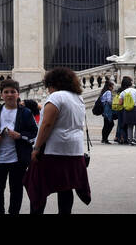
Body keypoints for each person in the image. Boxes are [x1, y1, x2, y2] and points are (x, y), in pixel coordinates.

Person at [25, 67, 91, 214]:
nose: (48, 90)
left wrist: (36, 148)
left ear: (52, 83)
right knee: (66, 187)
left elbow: (47, 124)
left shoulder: (56, 97)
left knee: (39, 188)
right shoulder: (78, 98)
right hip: (74, 150)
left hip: (53, 150)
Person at [0, 79, 38, 214]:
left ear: (18, 93)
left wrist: (19, 135)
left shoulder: (25, 112)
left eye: (12, 92)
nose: (9, 95)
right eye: (6, 92)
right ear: (1, 94)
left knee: (16, 190)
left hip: (18, 159)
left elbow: (33, 132)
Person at [98, 80, 116, 144]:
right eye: (112, 86)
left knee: (106, 125)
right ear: (109, 87)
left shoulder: (104, 92)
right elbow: (109, 101)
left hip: (105, 110)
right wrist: (113, 105)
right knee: (110, 124)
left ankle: (104, 139)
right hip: (108, 110)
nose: (113, 88)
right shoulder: (108, 92)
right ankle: (105, 139)